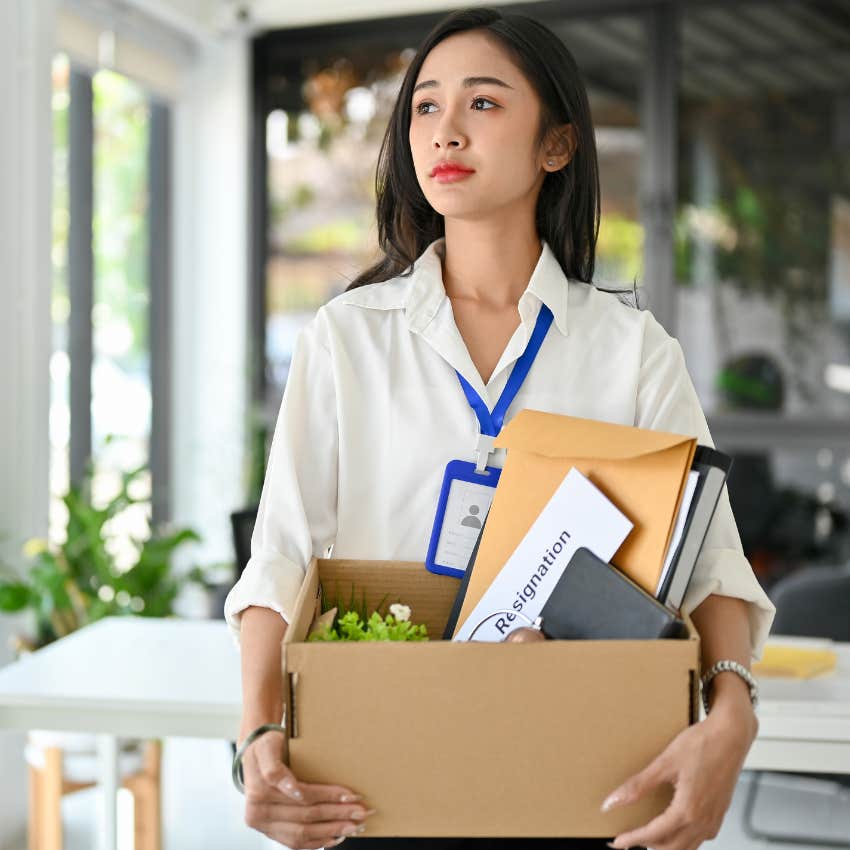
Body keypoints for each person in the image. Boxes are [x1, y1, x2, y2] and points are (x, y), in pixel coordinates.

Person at [224, 7, 776, 850]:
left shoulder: (629, 351)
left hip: (582, 776)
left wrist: (732, 715)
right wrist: (259, 736)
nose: (445, 130)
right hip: (383, 780)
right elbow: (281, 559)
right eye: (425, 107)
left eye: (482, 104)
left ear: (556, 146)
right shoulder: (346, 339)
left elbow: (711, 566)